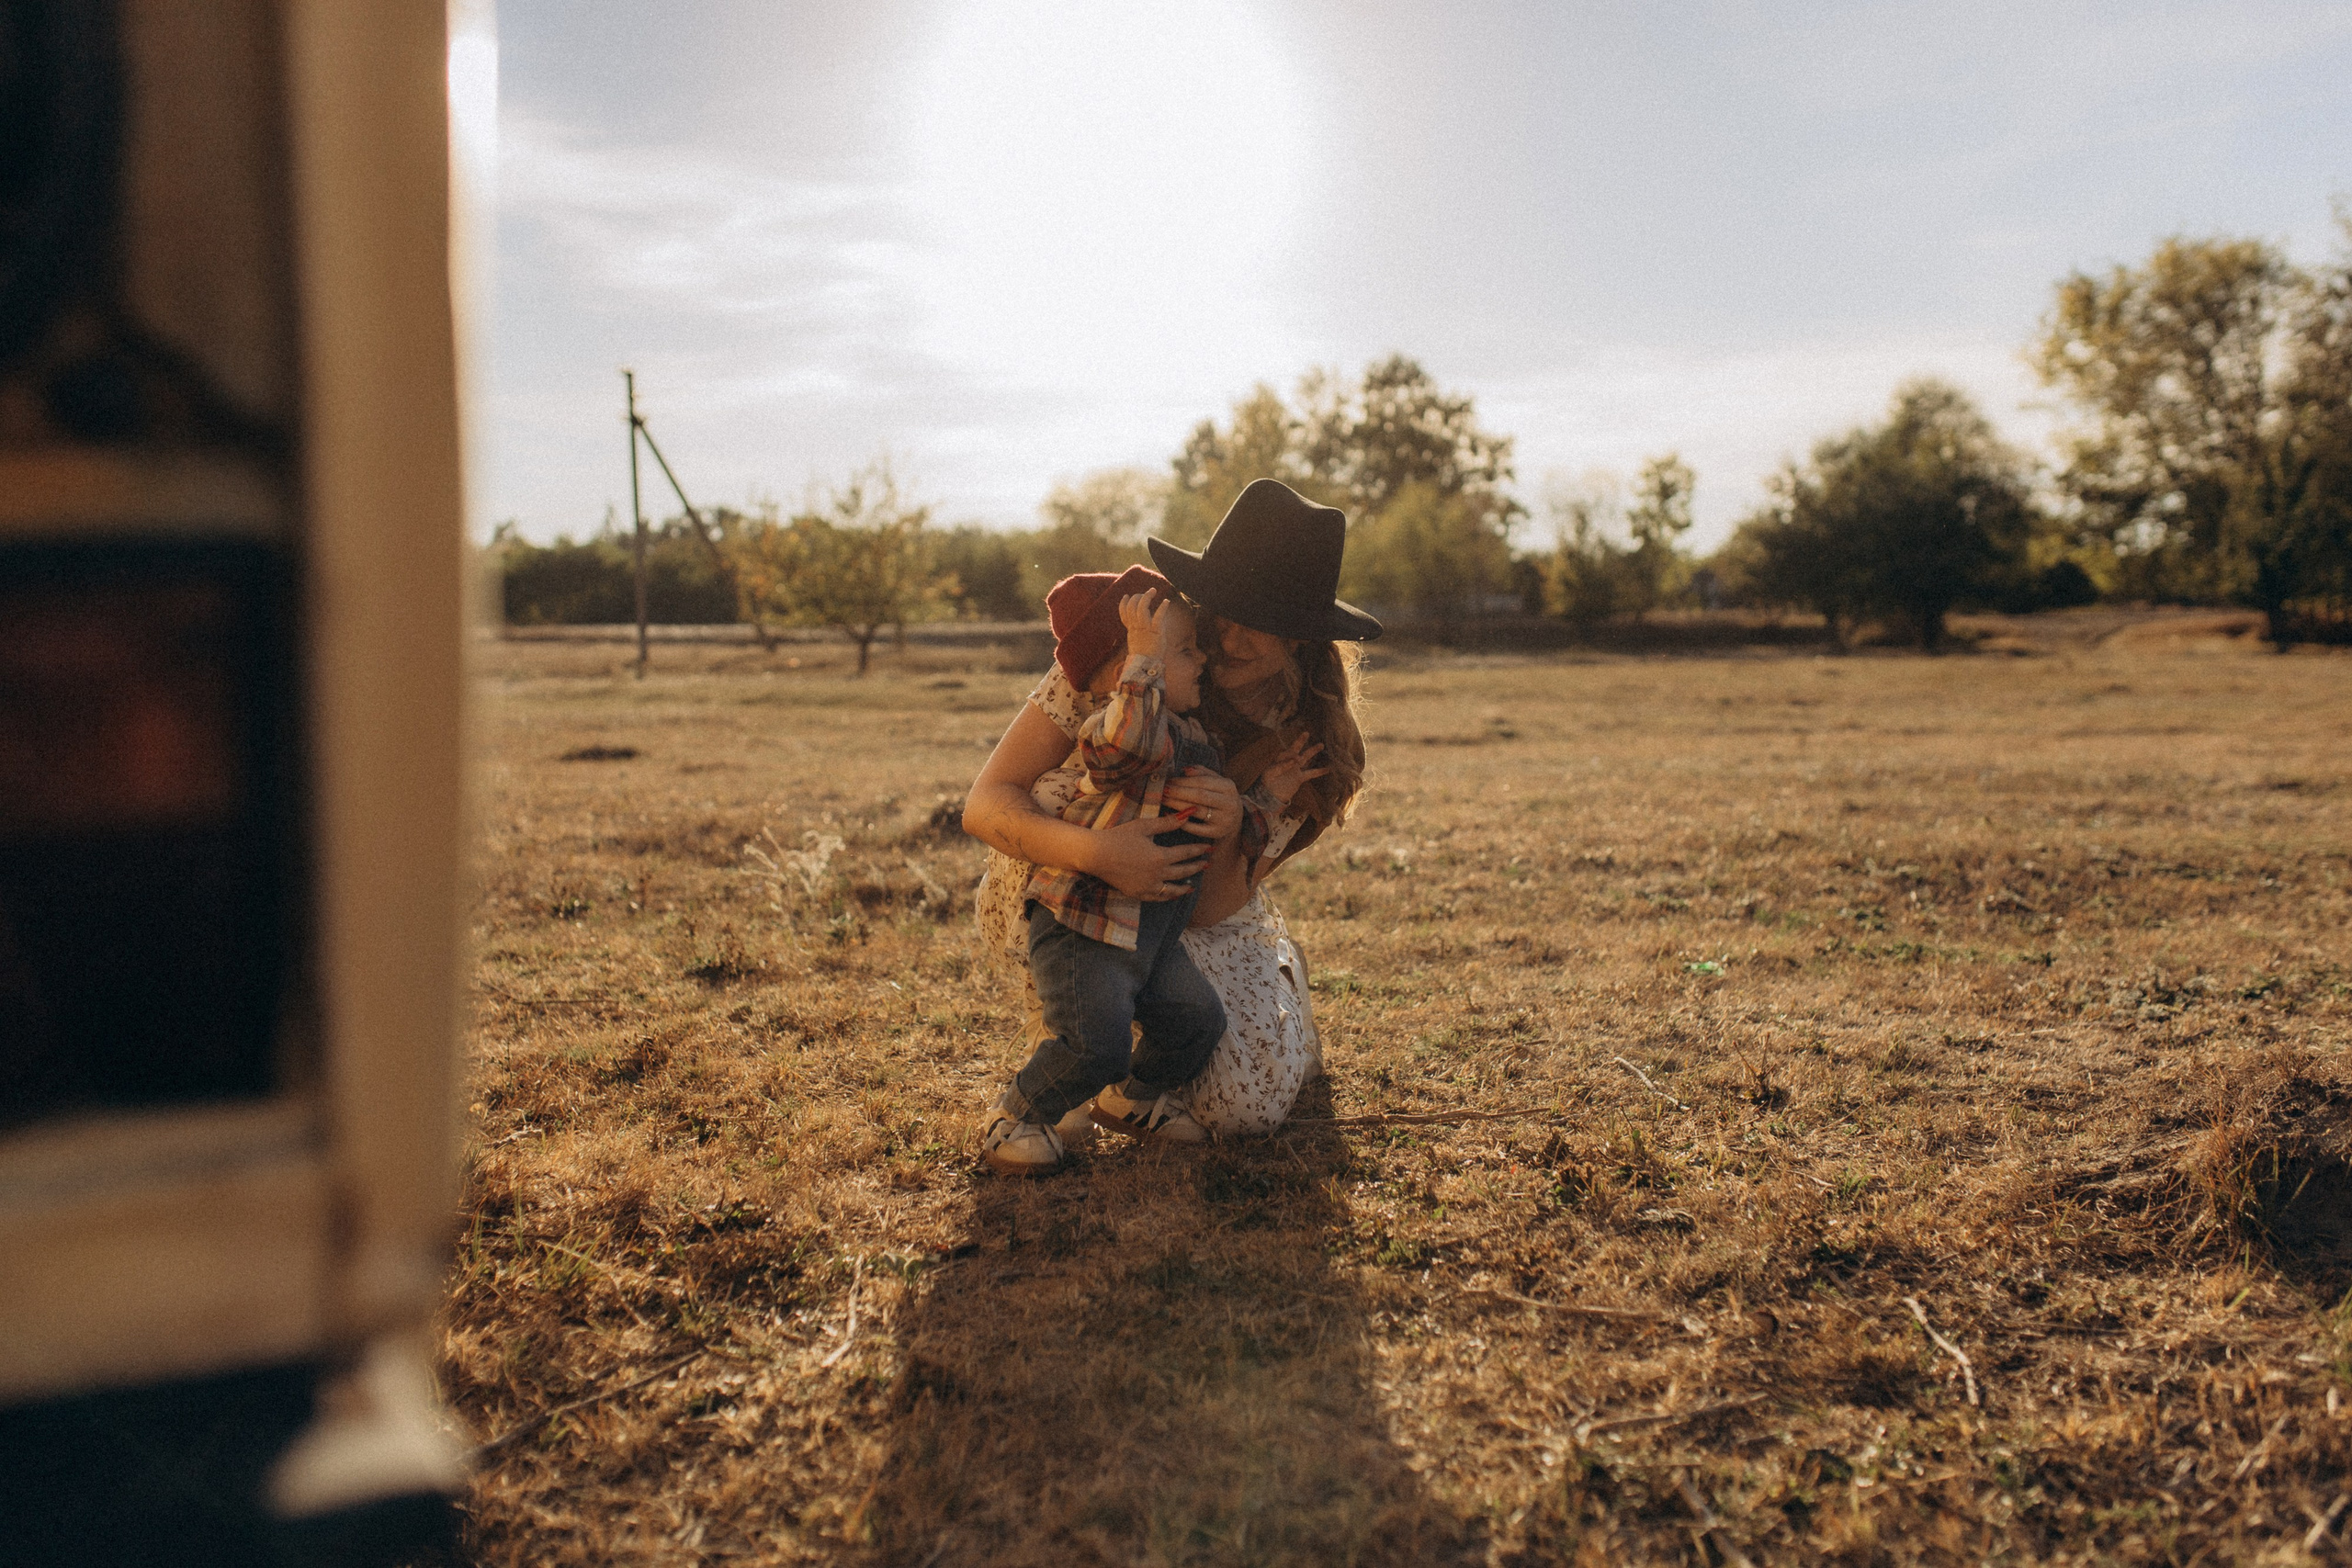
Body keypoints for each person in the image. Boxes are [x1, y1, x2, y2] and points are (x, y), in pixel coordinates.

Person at [966, 479, 1379, 1157]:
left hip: (1201, 903)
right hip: (1078, 876)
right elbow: (987, 803)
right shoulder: (1135, 644)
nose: (1233, 637)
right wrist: (1099, 854)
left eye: (1265, 620)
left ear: (1305, 637)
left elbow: (1212, 906)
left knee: (1245, 1109)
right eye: (1228, 608)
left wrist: (1233, 824)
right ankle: (1082, 1041)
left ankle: (1272, 986)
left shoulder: (1314, 747)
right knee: (1043, 796)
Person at [977, 587, 1321, 1176]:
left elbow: (1220, 864)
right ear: (1135, 671)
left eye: (1257, 624)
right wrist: (1144, 661)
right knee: (1097, 1045)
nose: (1213, 653)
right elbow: (1117, 748)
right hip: (1088, 918)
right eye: (1189, 650)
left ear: (1297, 640)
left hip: (1158, 930)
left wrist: (1257, 803)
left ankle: (1132, 1095)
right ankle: (1018, 1115)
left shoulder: (1195, 738)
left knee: (1199, 1022)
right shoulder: (1121, 733)